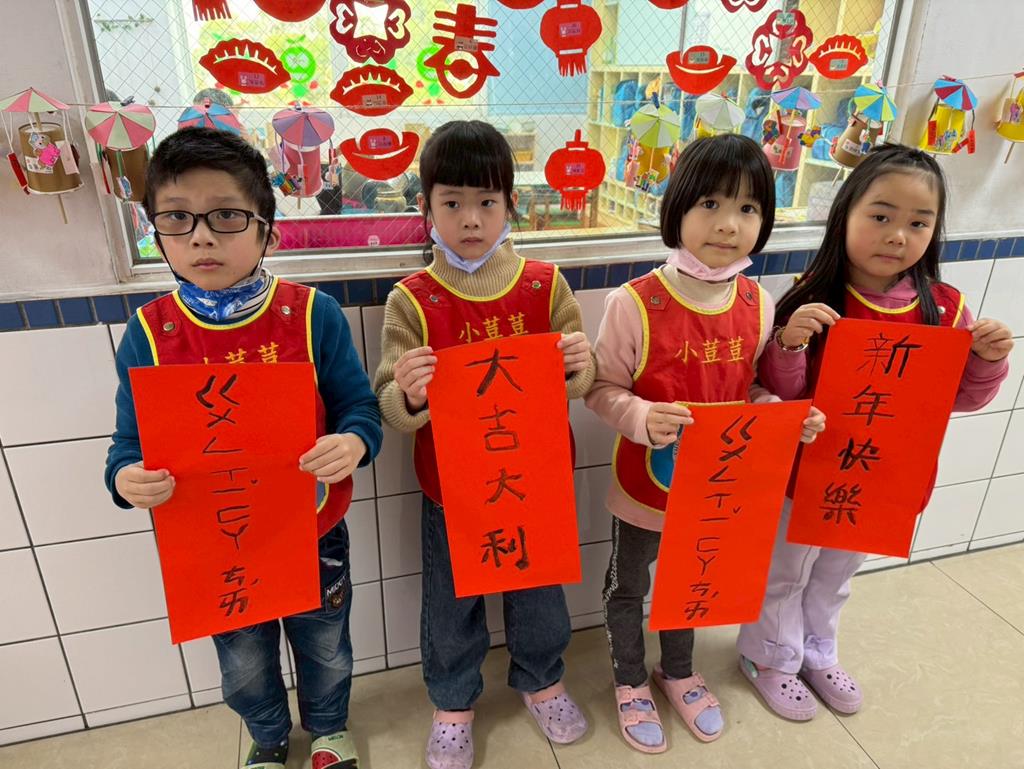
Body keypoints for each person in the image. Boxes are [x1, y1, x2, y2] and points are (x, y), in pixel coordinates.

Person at [104, 127, 382, 769]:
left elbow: (360, 408)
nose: (201, 237)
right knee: (243, 658)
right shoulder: (150, 332)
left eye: (226, 216)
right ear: (156, 231)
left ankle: (329, 729)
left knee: (325, 645)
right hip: (215, 542)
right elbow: (126, 444)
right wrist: (125, 478)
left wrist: (353, 443)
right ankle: (268, 736)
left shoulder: (311, 315)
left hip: (311, 530)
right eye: (177, 218)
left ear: (267, 230)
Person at [738, 143, 1013, 720]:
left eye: (919, 223)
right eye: (881, 216)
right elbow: (782, 395)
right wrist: (790, 342)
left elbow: (963, 399)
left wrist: (987, 360)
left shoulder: (946, 309)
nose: (897, 236)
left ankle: (818, 651)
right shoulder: (812, 298)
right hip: (806, 473)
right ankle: (770, 656)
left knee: (838, 572)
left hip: (880, 478)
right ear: (845, 215)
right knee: (786, 570)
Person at [585, 134, 824, 753]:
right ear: (677, 209)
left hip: (717, 487)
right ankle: (630, 679)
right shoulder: (634, 302)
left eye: (748, 208)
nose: (728, 224)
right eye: (711, 203)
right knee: (628, 585)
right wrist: (641, 416)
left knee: (693, 580)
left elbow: (750, 388)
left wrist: (780, 417)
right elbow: (600, 389)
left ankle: (679, 672)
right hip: (646, 486)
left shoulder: (757, 302)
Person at [372, 120, 595, 769]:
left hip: (534, 480)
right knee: (451, 601)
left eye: (487, 201)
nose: (470, 218)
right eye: (452, 202)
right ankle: (452, 703)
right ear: (426, 207)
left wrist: (579, 363)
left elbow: (580, 379)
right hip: (454, 489)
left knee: (539, 590)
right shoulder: (412, 300)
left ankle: (543, 679)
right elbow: (389, 400)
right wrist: (409, 391)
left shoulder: (544, 285)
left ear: (510, 204)